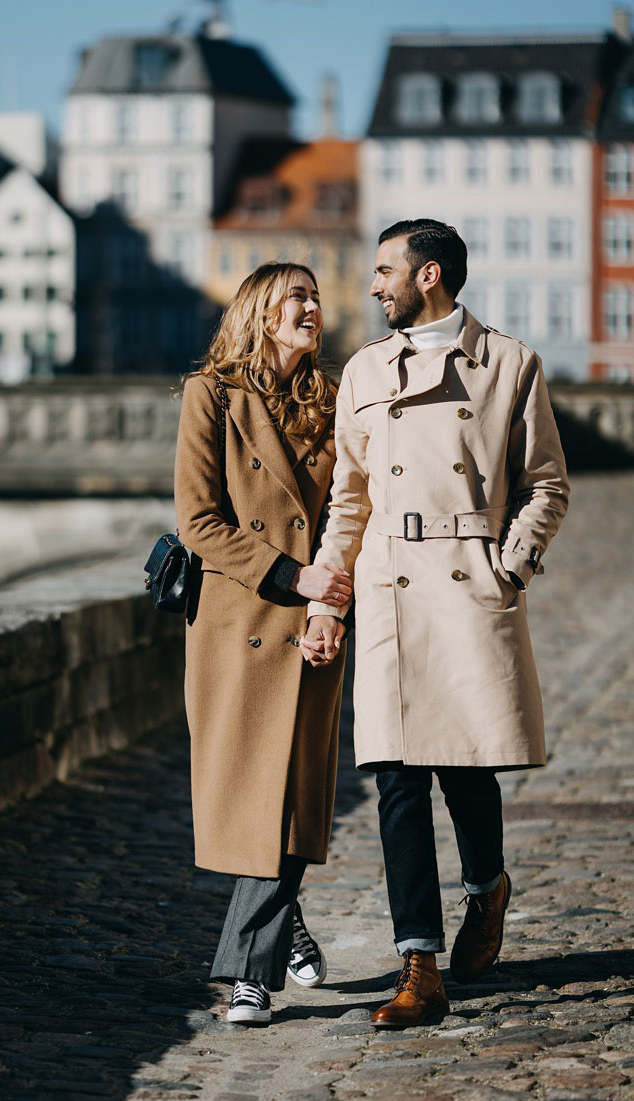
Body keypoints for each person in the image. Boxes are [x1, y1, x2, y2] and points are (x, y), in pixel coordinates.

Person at [304, 219, 570, 1028]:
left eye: (385, 270)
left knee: (464, 768)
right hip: (388, 584)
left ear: (430, 275)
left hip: (466, 580)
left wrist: (510, 564)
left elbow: (547, 484)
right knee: (395, 778)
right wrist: (327, 598)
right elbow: (349, 500)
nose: (373, 284)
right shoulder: (363, 370)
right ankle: (418, 965)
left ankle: (487, 890)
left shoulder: (510, 364)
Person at [174, 262, 353, 1026]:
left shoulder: (333, 400)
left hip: (310, 625)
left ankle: (250, 974)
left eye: (316, 296)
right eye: (297, 297)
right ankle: (267, 953)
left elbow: (352, 507)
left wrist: (328, 606)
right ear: (260, 311)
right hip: (238, 621)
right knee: (257, 797)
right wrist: (294, 577)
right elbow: (199, 522)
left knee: (295, 796)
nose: (312, 307)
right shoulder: (210, 395)